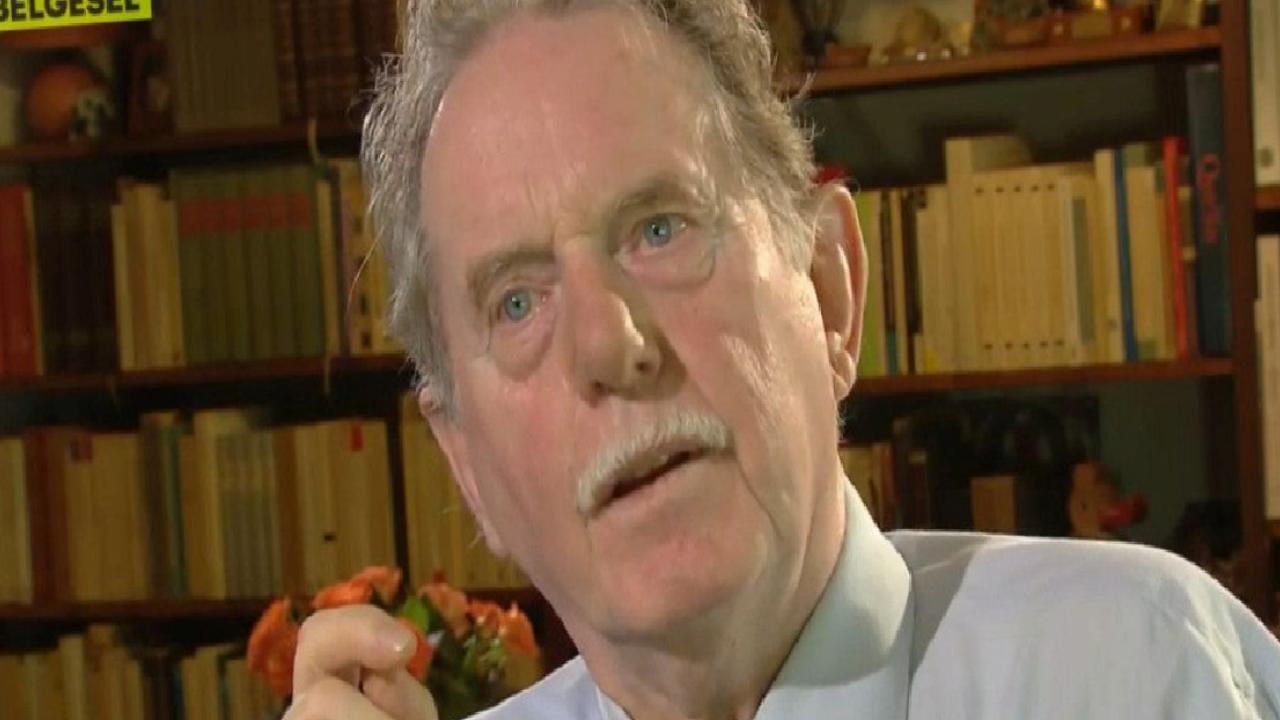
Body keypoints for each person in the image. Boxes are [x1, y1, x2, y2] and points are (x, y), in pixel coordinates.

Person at [284, 1, 1280, 718]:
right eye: (515, 302)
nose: (609, 346)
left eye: (659, 228)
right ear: (467, 468)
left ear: (829, 289)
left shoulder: (1129, 668)